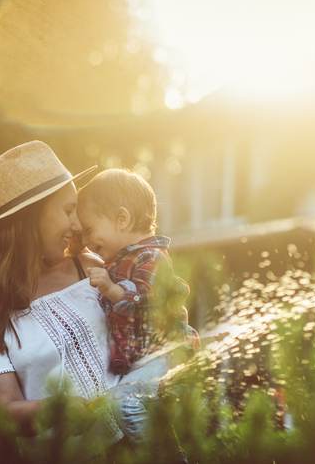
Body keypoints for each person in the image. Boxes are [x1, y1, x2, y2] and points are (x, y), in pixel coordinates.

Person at [0, 141, 122, 448]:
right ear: (30, 219)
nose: (77, 224)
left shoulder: (91, 269)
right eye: (68, 210)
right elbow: (3, 411)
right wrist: (57, 410)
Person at [76, 168, 199, 443]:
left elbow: (145, 298)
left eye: (89, 230)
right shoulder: (117, 262)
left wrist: (112, 289)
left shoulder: (151, 257)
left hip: (167, 354)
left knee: (126, 404)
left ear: (122, 218)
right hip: (145, 360)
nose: (86, 242)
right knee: (120, 407)